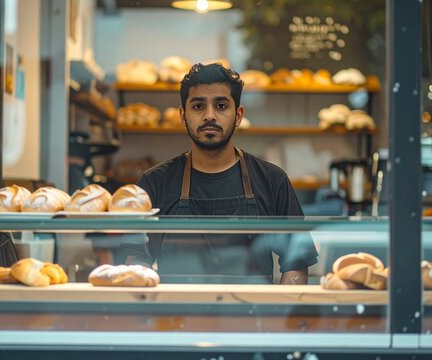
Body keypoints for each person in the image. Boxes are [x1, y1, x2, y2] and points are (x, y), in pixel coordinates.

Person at [122, 63, 318, 284]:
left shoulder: (272, 180)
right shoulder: (155, 182)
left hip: (253, 316)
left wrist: (278, 315)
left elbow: (296, 263)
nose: (209, 116)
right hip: (175, 316)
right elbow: (136, 259)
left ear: (238, 115)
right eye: (198, 106)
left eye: (221, 106)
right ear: (182, 115)